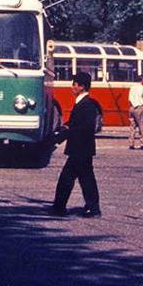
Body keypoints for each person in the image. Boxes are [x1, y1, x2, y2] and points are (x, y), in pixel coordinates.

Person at [49, 71, 101, 218]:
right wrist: (62, 132)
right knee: (84, 179)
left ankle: (60, 207)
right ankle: (91, 207)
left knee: (70, 178)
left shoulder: (88, 104)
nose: (72, 87)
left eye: (75, 84)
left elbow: (87, 127)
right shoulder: (80, 103)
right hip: (79, 149)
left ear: (82, 87)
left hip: (81, 148)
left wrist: (68, 130)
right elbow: (73, 124)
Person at [128, 75, 143, 150]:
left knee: (132, 127)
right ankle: (142, 144)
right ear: (142, 80)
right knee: (141, 126)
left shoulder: (132, 87)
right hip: (139, 107)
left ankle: (131, 143)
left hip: (132, 107)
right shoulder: (142, 88)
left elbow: (129, 98)